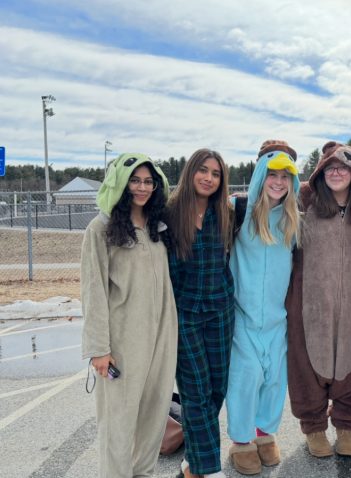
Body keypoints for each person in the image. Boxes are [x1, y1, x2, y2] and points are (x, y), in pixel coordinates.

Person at [81, 153, 178, 478]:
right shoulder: (101, 228)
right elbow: (93, 291)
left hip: (161, 338)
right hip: (122, 342)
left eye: (148, 181)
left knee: (153, 419)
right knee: (118, 423)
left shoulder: (158, 227)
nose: (142, 187)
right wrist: (99, 349)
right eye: (135, 180)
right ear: (121, 183)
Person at [285, 141, 351, 458]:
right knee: (306, 366)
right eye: (330, 167)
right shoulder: (305, 201)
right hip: (309, 303)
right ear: (321, 172)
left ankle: (347, 426)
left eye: (344, 167)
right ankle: (314, 427)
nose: (336, 172)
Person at [226, 140, 301, 475]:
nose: (279, 182)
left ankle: (264, 434)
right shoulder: (236, 210)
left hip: (276, 317)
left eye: (286, 176)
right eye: (273, 174)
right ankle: (241, 441)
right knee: (247, 376)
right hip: (242, 315)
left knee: (274, 378)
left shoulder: (293, 220)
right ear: (260, 175)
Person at [167, 149, 234, 478]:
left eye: (216, 173)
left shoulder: (227, 212)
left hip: (220, 309)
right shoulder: (168, 213)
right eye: (203, 170)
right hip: (185, 314)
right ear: (190, 171)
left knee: (217, 388)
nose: (209, 177)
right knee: (196, 390)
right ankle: (209, 469)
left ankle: (193, 464)